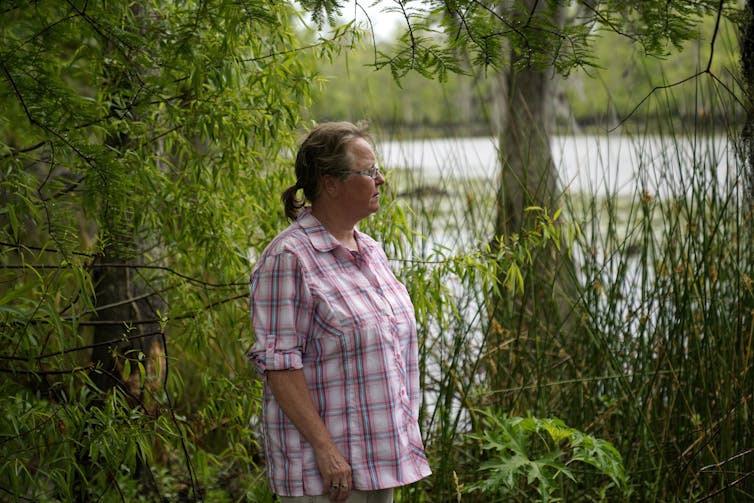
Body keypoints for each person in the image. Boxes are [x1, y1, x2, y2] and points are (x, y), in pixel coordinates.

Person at [247, 122, 431, 503]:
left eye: (378, 170)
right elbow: (280, 366)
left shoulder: (371, 251)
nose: (380, 180)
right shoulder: (289, 258)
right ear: (330, 183)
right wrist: (326, 450)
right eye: (368, 172)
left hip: (380, 462)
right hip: (329, 476)